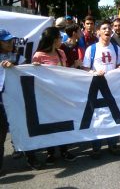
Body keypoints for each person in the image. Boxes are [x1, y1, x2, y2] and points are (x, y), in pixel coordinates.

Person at [81, 20, 120, 159]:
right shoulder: (92, 49)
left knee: (111, 116)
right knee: (97, 117)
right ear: (98, 32)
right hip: (96, 88)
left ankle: (113, 143)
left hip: (111, 88)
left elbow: (118, 66)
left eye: (109, 28)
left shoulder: (116, 48)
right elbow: (85, 69)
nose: (107, 30)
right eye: (104, 28)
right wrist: (94, 73)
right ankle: (96, 147)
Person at [32, 27, 77, 165]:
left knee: (63, 124)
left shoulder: (61, 52)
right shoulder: (38, 55)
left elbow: (65, 72)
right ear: (53, 39)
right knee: (50, 124)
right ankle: (50, 152)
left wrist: (75, 66)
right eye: (59, 37)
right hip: (47, 97)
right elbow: (33, 76)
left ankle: (64, 150)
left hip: (62, 95)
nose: (61, 40)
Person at [0, 29, 42, 173]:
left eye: (11, 40)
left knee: (25, 129)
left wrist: (33, 67)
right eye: (6, 41)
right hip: (1, 102)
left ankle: (31, 157)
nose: (10, 43)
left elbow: (28, 72)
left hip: (17, 99)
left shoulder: (18, 57)